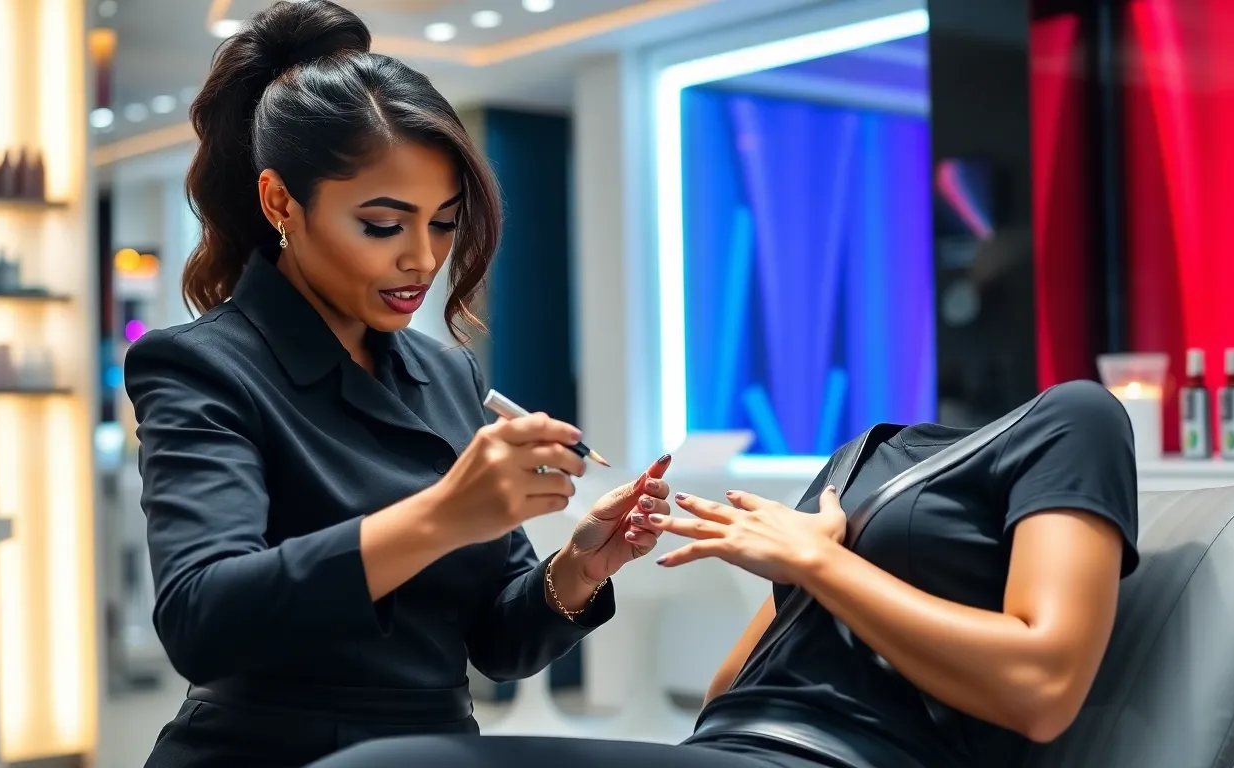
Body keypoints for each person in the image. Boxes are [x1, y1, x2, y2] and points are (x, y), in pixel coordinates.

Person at [123, 2, 670, 765]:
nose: (422, 258)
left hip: (433, 747)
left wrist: (579, 568)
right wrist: (442, 515)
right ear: (281, 202)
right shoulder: (202, 366)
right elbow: (202, 620)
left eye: (443, 222)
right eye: (383, 224)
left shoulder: (445, 372)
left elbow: (498, 643)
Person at [308, 379, 1140, 768]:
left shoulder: (1072, 418)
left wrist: (817, 560)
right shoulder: (857, 457)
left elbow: (1041, 686)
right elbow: (727, 691)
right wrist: (809, 573)